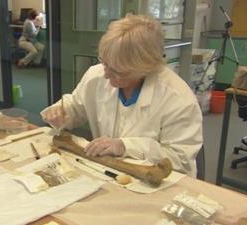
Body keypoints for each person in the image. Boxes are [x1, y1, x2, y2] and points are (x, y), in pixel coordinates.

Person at [41, 14, 203, 177]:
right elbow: (77, 106)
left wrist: (125, 146)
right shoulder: (97, 75)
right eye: (105, 63)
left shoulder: (178, 99)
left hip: (158, 183)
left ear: (147, 67)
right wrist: (61, 112)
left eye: (117, 70)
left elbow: (180, 160)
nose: (105, 74)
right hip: (107, 172)